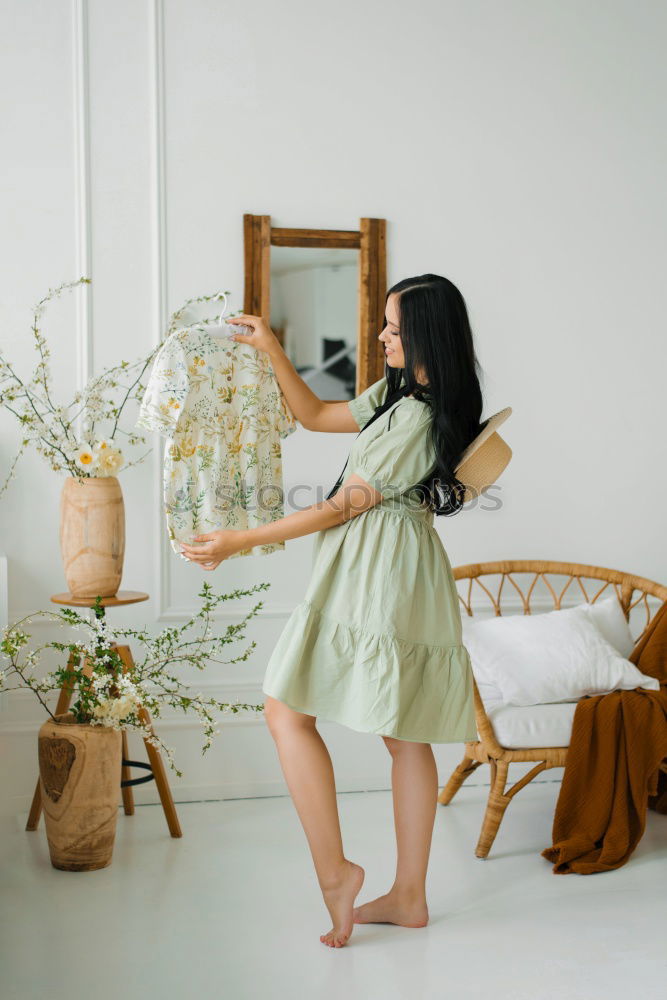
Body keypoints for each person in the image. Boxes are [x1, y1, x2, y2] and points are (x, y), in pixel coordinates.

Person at [181, 274, 485, 948]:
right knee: (399, 734)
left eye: (392, 328)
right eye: (382, 324)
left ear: (428, 333)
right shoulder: (401, 396)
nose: (380, 336)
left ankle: (337, 875)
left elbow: (341, 505)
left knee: (290, 711)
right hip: (390, 566)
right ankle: (405, 896)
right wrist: (270, 348)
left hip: (381, 572)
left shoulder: (419, 414)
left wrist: (238, 542)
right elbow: (315, 417)